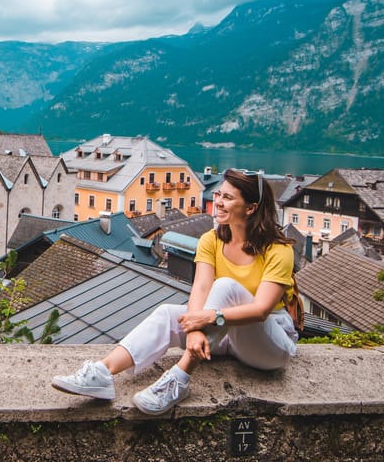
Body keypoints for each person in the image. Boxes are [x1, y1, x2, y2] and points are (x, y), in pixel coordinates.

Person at [51, 169, 298, 415]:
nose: (219, 202)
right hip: (225, 335)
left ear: (251, 208)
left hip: (268, 345)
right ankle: (103, 373)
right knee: (168, 313)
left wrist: (206, 320)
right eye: (218, 194)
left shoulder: (278, 250)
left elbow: (262, 310)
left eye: (228, 198)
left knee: (225, 287)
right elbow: (200, 288)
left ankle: (179, 379)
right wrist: (194, 329)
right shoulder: (211, 240)